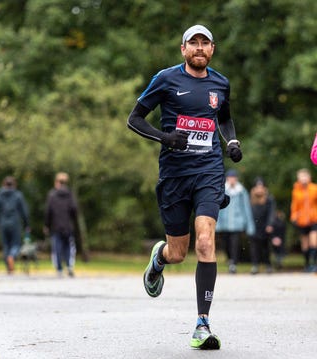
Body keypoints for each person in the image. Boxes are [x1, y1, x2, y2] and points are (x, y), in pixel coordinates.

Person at [127, 24, 242, 350]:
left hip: (209, 171)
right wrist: (164, 138)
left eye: (205, 43)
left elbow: (224, 117)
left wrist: (231, 140)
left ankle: (202, 324)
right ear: (183, 49)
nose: (200, 48)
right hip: (175, 175)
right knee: (178, 252)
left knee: (206, 241)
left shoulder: (221, 83)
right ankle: (158, 260)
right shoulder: (165, 79)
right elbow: (134, 119)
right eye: (194, 43)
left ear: (212, 49)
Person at [216, 169, 255, 274]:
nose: (232, 180)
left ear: (236, 179)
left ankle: (233, 263)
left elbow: (246, 208)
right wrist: (217, 223)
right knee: (225, 244)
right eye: (230, 177)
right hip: (224, 223)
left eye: (234, 178)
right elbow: (218, 207)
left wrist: (249, 225)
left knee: (235, 244)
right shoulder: (222, 190)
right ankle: (230, 260)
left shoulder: (241, 191)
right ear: (227, 179)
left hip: (237, 223)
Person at [0, 176, 30, 274]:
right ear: (14, 185)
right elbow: (24, 212)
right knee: (16, 244)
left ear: (4, 184)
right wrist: (26, 224)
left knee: (6, 245)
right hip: (15, 223)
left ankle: (8, 267)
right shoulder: (18, 195)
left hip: (3, 223)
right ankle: (12, 256)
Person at [44, 172, 78, 277]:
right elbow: (74, 209)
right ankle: (69, 266)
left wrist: (47, 225)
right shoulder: (70, 194)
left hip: (55, 226)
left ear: (57, 182)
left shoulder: (52, 195)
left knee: (57, 247)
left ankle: (59, 268)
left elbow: (48, 211)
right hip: (68, 225)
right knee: (68, 246)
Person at [290, 168, 317, 272]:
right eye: (301, 176)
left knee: (314, 241)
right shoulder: (296, 191)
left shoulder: (314, 188)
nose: (303, 178)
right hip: (301, 220)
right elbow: (294, 205)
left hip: (314, 218)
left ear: (309, 177)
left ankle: (314, 264)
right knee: (305, 244)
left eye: (305, 176)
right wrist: (293, 216)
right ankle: (307, 264)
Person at [249, 177, 276, 274]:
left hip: (265, 226)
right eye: (257, 187)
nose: (259, 189)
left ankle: (268, 265)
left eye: (261, 187)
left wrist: (269, 224)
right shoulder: (250, 198)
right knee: (254, 247)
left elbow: (272, 212)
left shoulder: (269, 199)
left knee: (266, 247)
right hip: (253, 226)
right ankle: (255, 265)